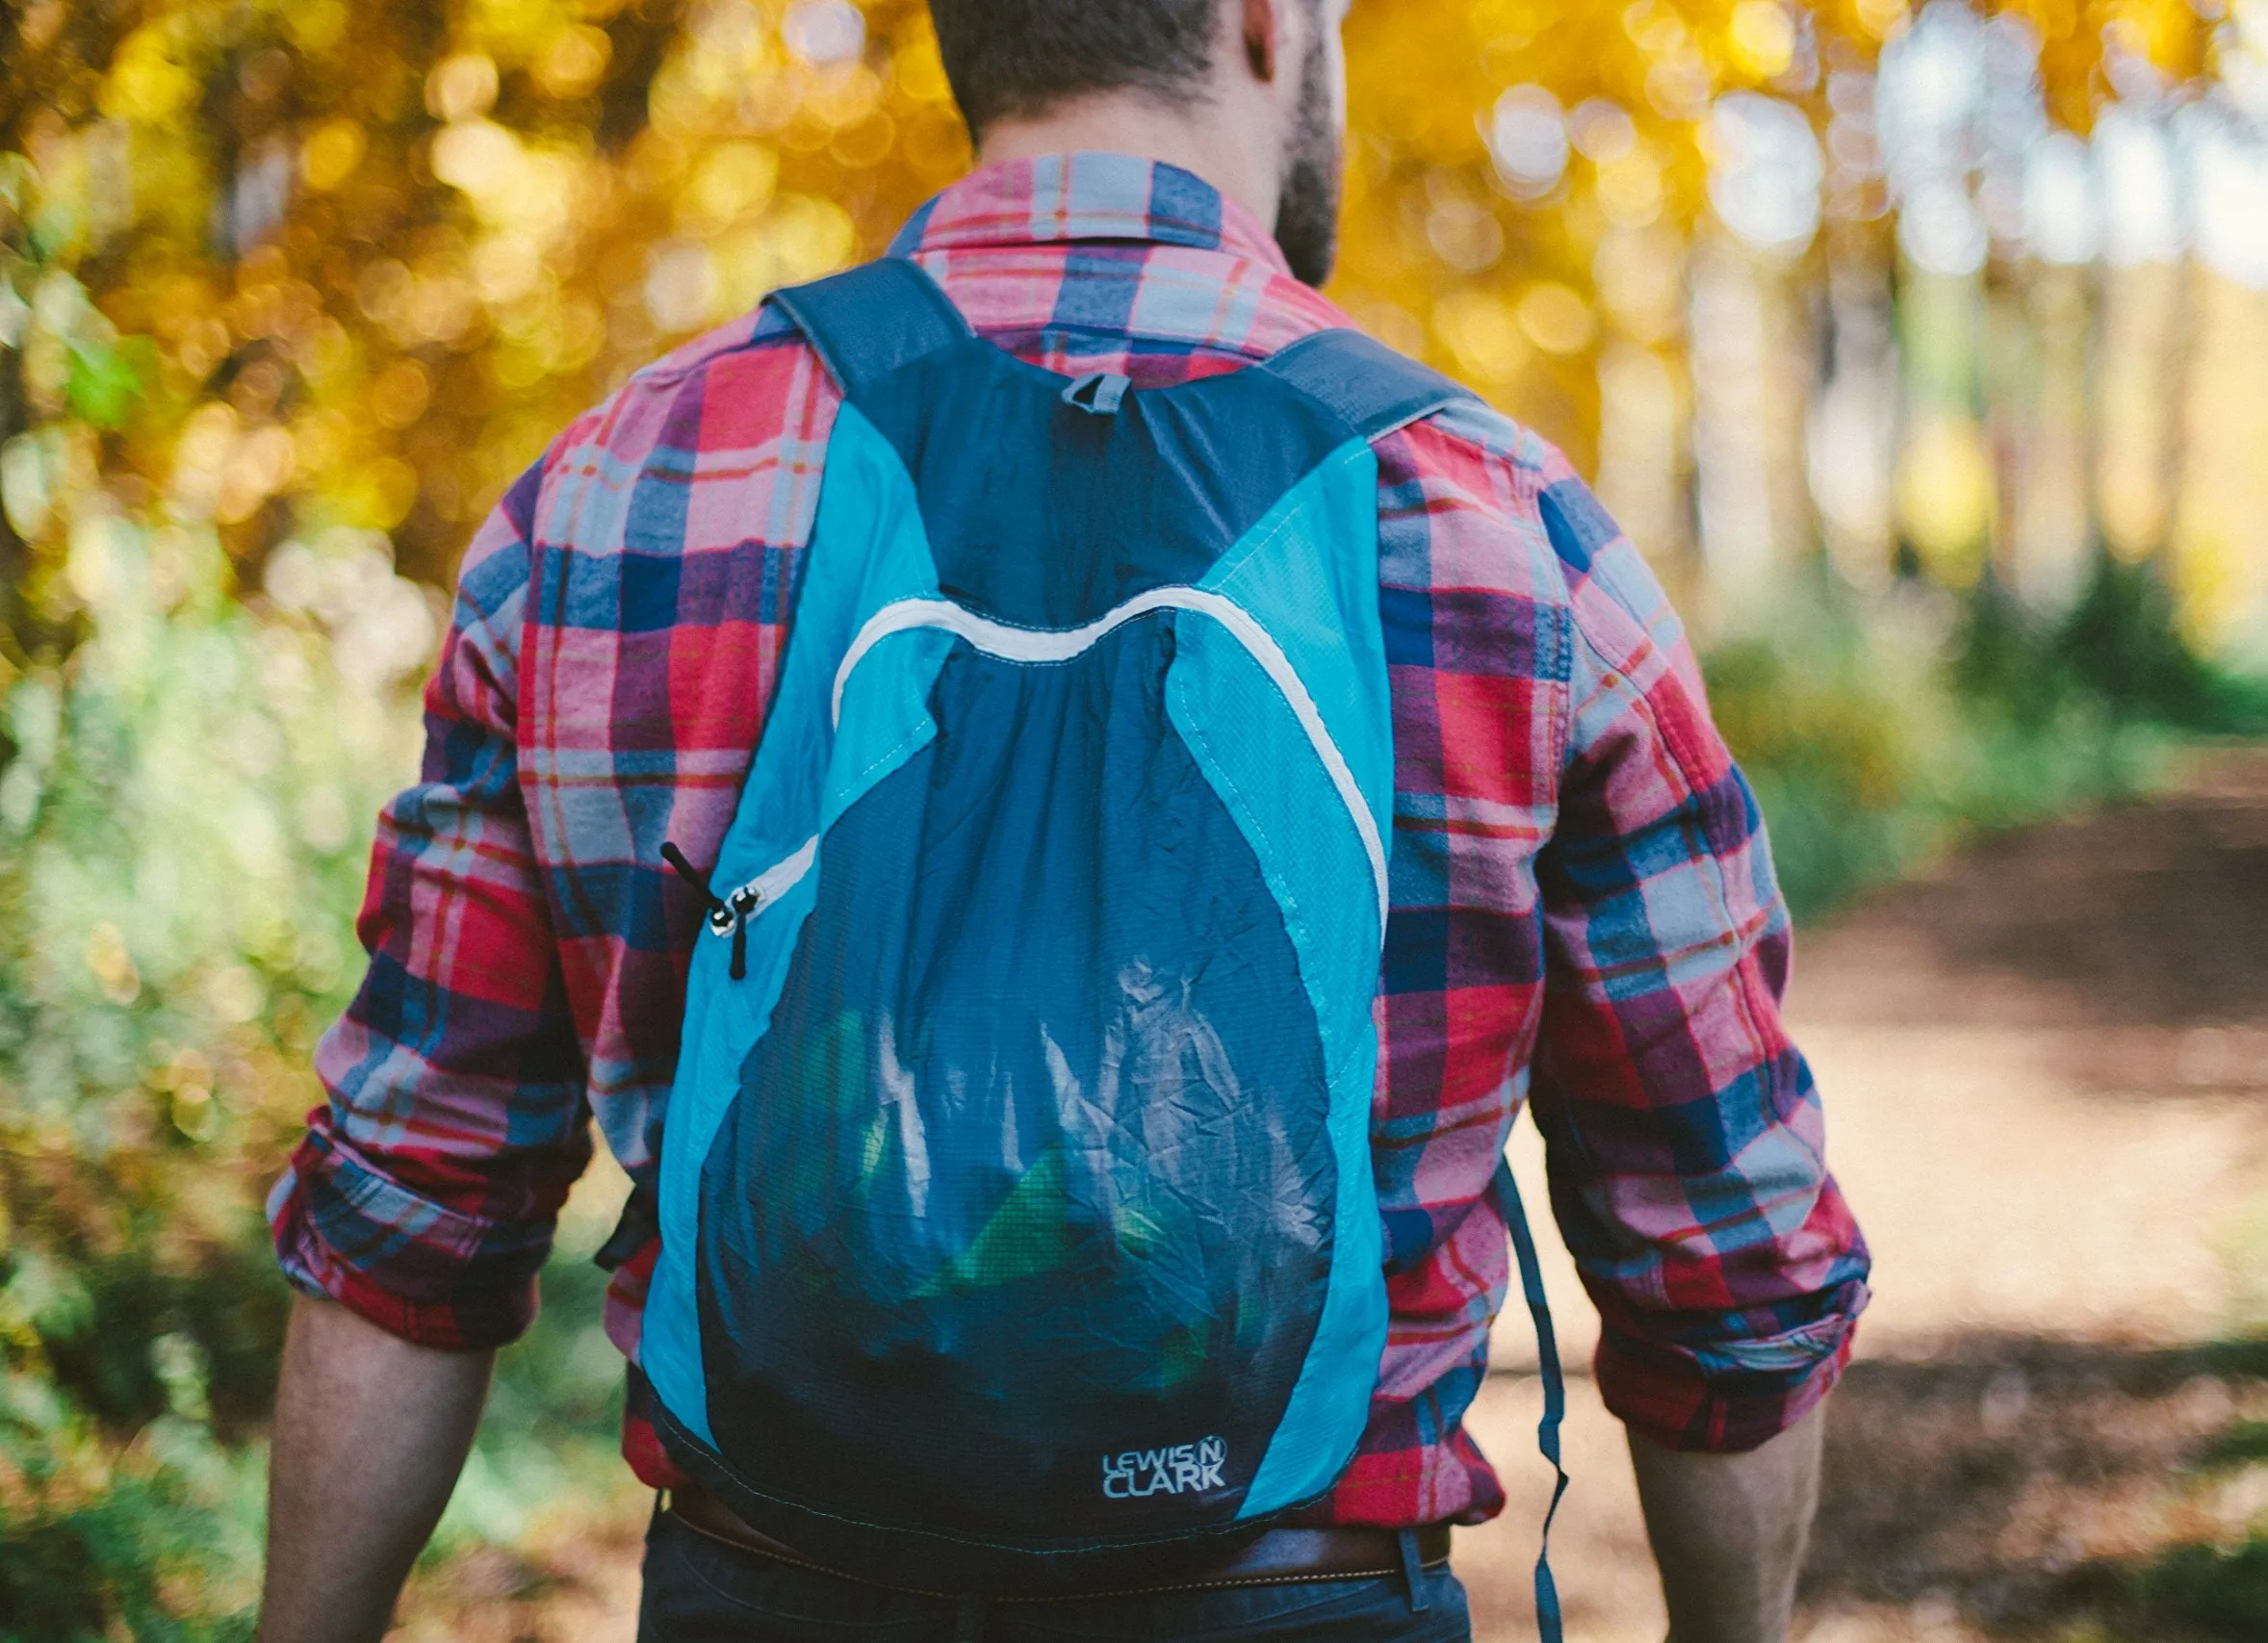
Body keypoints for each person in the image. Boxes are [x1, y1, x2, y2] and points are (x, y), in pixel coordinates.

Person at [255, 1, 1869, 1639]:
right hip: (1298, 1594)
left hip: (768, 1583)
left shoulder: (610, 499)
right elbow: (1730, 1257)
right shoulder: (1506, 537)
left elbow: (411, 1210)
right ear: (1264, 18)